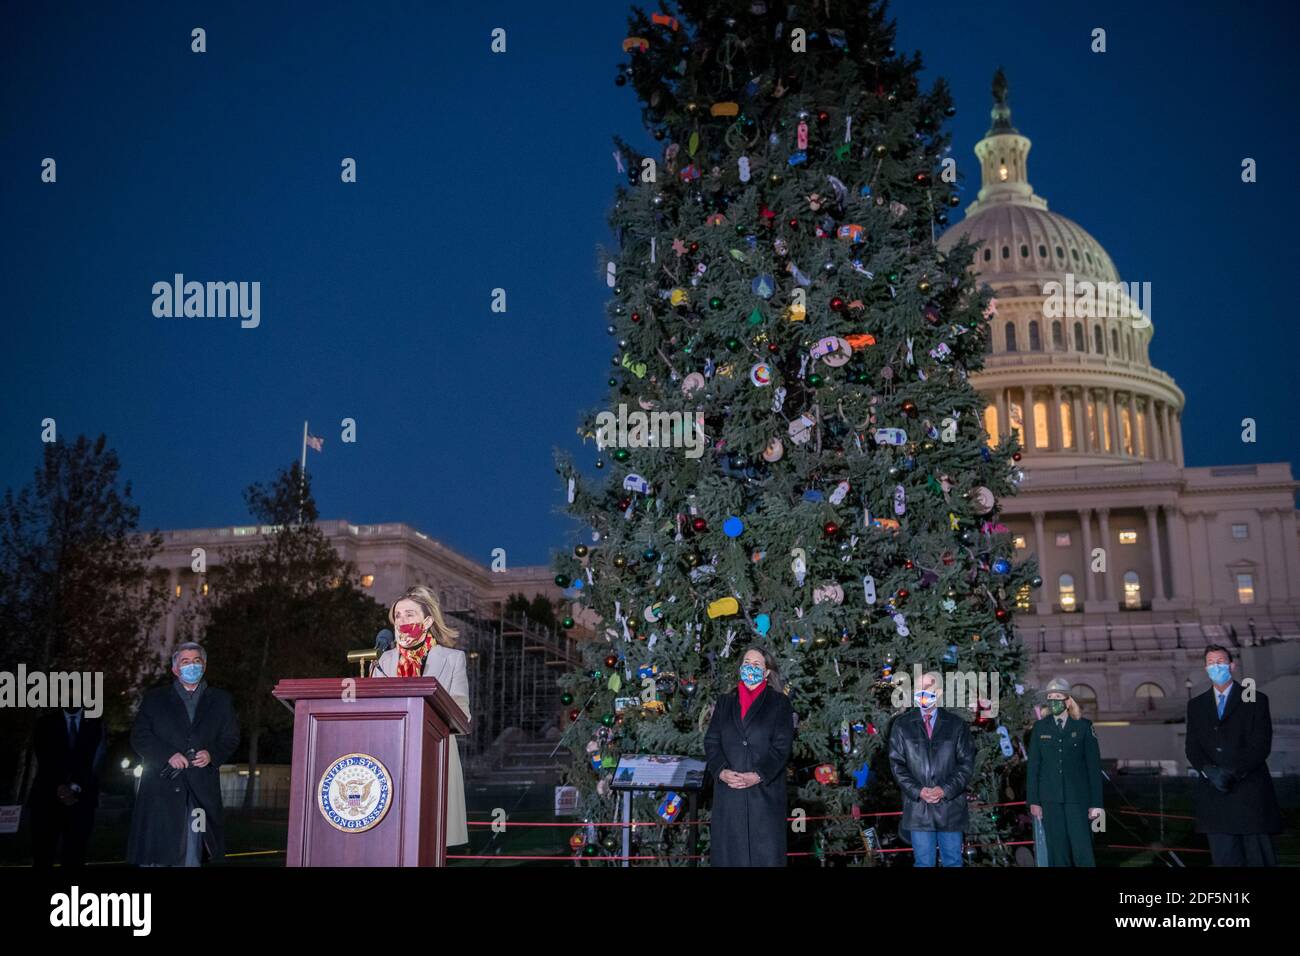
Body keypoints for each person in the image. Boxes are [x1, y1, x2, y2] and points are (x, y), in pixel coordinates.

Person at [370, 585, 470, 847]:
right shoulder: (382, 661)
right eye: (398, 615)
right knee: (392, 837)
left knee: (429, 836)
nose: (402, 620)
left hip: (435, 752)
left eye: (410, 614)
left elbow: (463, 713)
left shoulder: (453, 659)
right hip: (390, 755)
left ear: (427, 621)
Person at [127, 642, 239, 866]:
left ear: (204, 665)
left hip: (201, 791)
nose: (192, 666)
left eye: (196, 661)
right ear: (175, 669)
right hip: (161, 789)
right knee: (157, 852)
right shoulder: (155, 699)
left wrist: (212, 755)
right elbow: (140, 736)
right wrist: (167, 755)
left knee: (194, 852)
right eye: (185, 662)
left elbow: (231, 738)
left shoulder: (221, 700)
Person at [1185, 645, 1281, 865]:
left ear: (1232, 665)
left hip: (1250, 797)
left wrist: (1233, 773)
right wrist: (1208, 771)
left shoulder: (1255, 699)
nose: (1215, 666)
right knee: (1224, 859)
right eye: (1211, 663)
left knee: (1257, 859)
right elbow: (1192, 747)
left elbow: (1260, 745)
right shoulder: (1196, 705)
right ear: (1205, 668)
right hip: (1215, 799)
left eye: (1220, 661)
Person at [703, 645, 794, 866]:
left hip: (764, 796)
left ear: (766, 672)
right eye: (746, 663)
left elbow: (782, 747)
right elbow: (712, 741)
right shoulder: (725, 702)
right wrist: (721, 771)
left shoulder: (780, 703)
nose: (750, 668)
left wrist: (758, 775)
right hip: (730, 797)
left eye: (756, 664)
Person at [888, 670, 974, 867]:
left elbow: (966, 764)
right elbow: (897, 765)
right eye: (918, 688)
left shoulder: (957, 725)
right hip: (918, 809)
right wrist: (919, 791)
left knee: (953, 862)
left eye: (927, 687)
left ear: (939, 692)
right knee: (923, 863)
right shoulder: (902, 726)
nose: (922, 692)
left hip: (950, 807)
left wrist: (945, 789)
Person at [1027, 677, 1103, 867]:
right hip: (1050, 800)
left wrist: (1097, 804)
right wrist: (1034, 800)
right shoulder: (1039, 728)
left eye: (1058, 697)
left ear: (1068, 701)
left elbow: (1093, 768)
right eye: (1050, 697)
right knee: (1057, 853)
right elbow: (1034, 767)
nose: (1054, 701)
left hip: (1078, 799)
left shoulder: (1084, 727)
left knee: (1083, 850)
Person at [29, 706, 107, 868]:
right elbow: (43, 757)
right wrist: (60, 786)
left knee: (76, 855)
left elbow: (97, 760)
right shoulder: (45, 723)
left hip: (81, 800)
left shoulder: (96, 724)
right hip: (48, 799)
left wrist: (74, 787)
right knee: (43, 855)